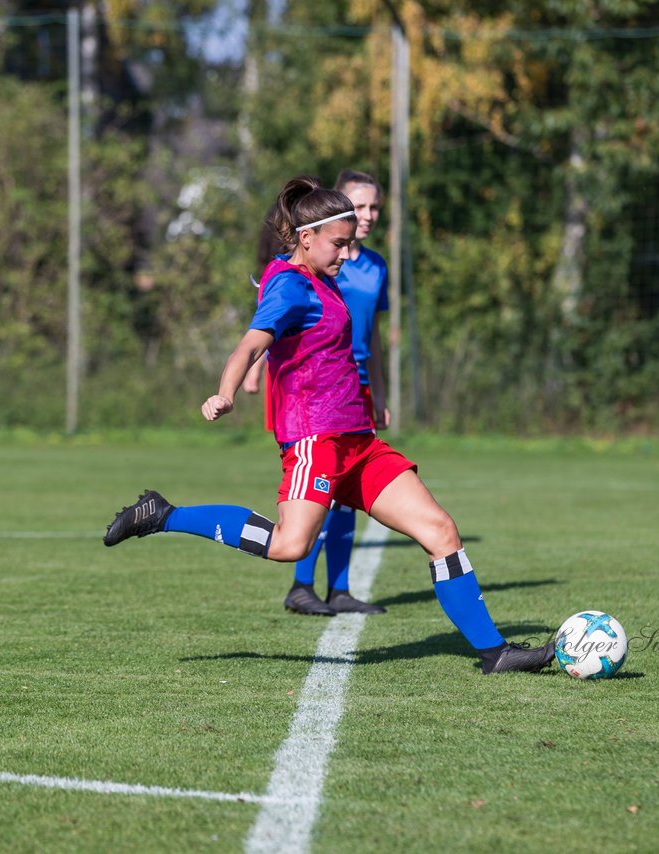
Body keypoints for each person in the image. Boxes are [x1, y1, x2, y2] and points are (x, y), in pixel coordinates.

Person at [104, 176, 555, 675]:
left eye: (349, 241)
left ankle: (495, 653)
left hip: (360, 443)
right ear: (306, 238)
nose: (346, 252)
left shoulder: (324, 277)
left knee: (441, 530)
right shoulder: (291, 286)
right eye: (339, 243)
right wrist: (226, 391)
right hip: (315, 442)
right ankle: (163, 514)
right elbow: (251, 343)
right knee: (289, 546)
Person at [243, 169, 390, 617]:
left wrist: (379, 391)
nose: (367, 215)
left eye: (374, 207)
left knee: (348, 494)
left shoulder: (375, 267)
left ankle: (340, 587)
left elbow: (374, 335)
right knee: (315, 491)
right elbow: (275, 321)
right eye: (358, 206)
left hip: (354, 386)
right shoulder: (315, 263)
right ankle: (303, 583)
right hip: (311, 391)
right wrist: (250, 372)